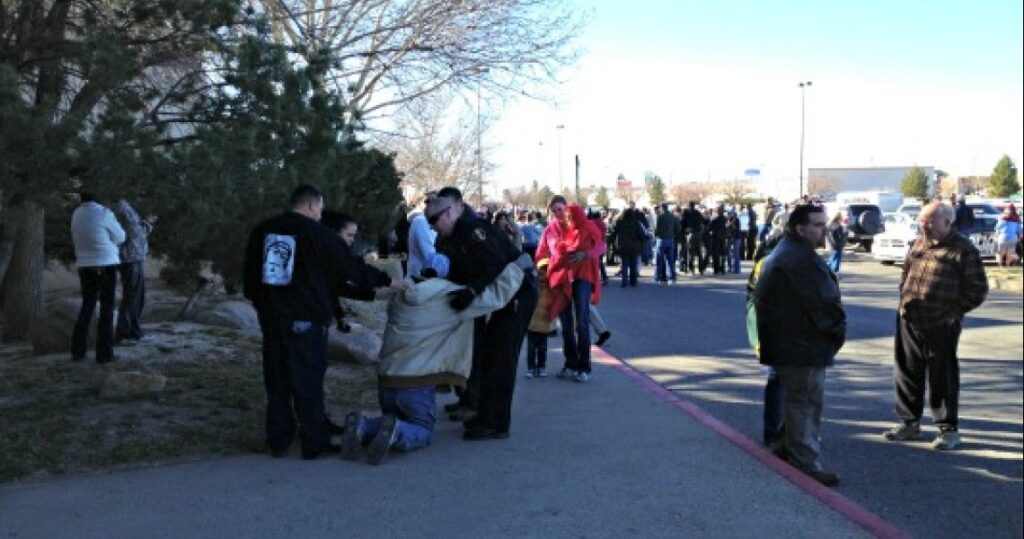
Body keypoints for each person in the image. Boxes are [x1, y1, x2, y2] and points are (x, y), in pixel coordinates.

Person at [243, 184, 405, 460]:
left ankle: (278, 440)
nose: (320, 214)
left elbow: (250, 276)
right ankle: (313, 441)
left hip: (273, 319)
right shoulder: (319, 234)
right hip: (306, 319)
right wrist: (387, 280)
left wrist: (263, 306)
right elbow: (352, 269)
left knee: (277, 381)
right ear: (311, 205)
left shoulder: (263, 230)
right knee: (307, 381)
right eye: (319, 208)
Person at [338, 253, 531, 464]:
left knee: (395, 418)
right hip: (416, 382)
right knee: (422, 429)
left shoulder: (400, 296)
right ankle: (397, 432)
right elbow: (493, 298)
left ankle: (364, 425)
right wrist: (516, 268)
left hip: (386, 381)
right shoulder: (448, 297)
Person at [427, 187, 537, 440]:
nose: (433, 226)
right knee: (490, 356)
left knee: (501, 359)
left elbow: (495, 264)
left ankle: (496, 423)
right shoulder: (458, 234)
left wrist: (471, 291)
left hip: (518, 294)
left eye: (435, 219)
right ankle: (486, 414)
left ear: (451, 212)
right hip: (506, 296)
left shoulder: (472, 230)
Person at [883, 202, 988, 450]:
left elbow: (978, 290)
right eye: (921, 221)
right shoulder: (918, 243)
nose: (924, 226)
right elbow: (906, 275)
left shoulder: (963, 249)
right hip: (910, 319)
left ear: (947, 222)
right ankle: (909, 423)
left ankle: (947, 430)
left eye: (929, 222)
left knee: (943, 375)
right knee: (907, 372)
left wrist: (952, 314)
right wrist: (904, 300)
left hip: (941, 323)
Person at [754, 204, 846, 487]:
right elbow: (824, 305)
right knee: (804, 403)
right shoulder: (798, 259)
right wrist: (836, 333)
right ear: (799, 228)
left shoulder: (791, 252)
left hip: (794, 343)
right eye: (817, 225)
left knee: (798, 400)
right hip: (800, 345)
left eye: (824, 223)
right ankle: (805, 463)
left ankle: (784, 448)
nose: (823, 230)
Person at [538, 202, 604, 383]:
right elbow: (541, 253)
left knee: (581, 322)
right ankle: (570, 364)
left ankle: (584, 367)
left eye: (560, 209)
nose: (558, 213)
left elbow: (600, 247)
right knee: (566, 325)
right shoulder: (550, 230)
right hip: (561, 279)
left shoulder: (584, 225)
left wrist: (587, 254)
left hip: (582, 276)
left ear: (566, 209)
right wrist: (545, 269)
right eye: (554, 211)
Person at [70, 192, 126, 363]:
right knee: (107, 308)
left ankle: (78, 351)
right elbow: (121, 236)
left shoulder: (76, 213)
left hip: (84, 265)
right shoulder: (104, 212)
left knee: (87, 305)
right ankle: (104, 354)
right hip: (105, 263)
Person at [113, 199, 155, 344]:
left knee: (133, 296)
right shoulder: (123, 207)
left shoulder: (121, 206)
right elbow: (136, 233)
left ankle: (127, 332)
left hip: (131, 258)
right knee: (133, 297)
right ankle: (129, 333)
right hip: (131, 258)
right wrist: (148, 223)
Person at [525, 259, 555, 378]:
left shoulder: (551, 289)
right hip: (531, 324)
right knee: (531, 349)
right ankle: (531, 368)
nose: (543, 277)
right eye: (540, 274)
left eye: (545, 274)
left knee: (542, 348)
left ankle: (541, 367)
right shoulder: (532, 288)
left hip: (544, 324)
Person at [405, 192, 438, 279]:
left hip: (428, 278)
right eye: (428, 201)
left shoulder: (433, 221)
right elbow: (430, 255)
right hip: (419, 278)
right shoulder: (421, 222)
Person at [612, 208, 645, 287]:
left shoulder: (620, 222)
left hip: (623, 246)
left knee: (624, 264)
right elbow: (641, 234)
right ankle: (633, 281)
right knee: (633, 264)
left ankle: (624, 281)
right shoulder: (636, 223)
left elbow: (615, 234)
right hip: (634, 246)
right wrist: (641, 241)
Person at [654, 203, 680, 284]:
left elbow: (657, 229)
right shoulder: (673, 217)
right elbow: (678, 228)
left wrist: (657, 234)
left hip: (662, 240)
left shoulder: (660, 217)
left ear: (662, 208)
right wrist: (673, 234)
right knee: (670, 260)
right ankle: (672, 277)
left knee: (660, 260)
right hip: (670, 240)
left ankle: (660, 277)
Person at [708, 206, 727, 274]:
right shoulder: (725, 219)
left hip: (716, 238)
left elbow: (710, 228)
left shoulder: (715, 220)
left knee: (716, 254)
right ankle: (723, 268)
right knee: (723, 253)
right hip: (723, 237)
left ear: (718, 212)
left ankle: (716, 269)